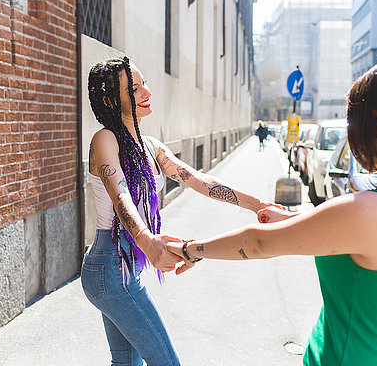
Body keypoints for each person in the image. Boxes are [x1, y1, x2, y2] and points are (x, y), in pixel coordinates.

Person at [168, 58, 377, 366]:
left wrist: (188, 249)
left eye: (354, 124)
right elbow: (361, 247)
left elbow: (258, 242)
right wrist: (288, 220)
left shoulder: (374, 210)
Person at [81, 56, 275, 366]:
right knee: (165, 361)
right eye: (134, 88)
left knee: (127, 362)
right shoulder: (105, 139)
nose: (146, 92)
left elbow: (199, 180)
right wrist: (147, 240)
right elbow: (121, 198)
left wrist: (258, 206)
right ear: (109, 99)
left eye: (145, 84)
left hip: (124, 269)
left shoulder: (151, 146)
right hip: (110, 267)